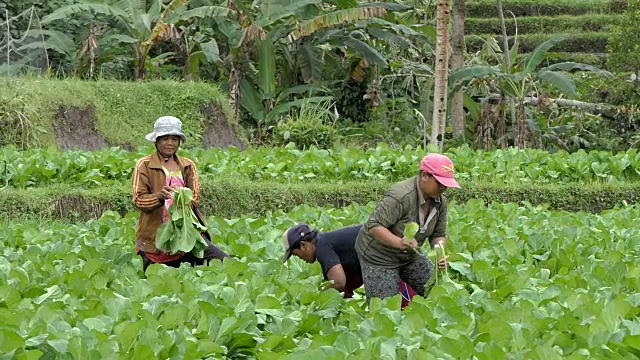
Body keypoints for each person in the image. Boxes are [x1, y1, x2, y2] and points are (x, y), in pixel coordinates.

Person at [355, 153, 460, 301]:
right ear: (424, 176)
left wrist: (440, 253)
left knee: (438, 291)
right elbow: (374, 226)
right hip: (379, 257)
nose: (444, 188)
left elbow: (438, 234)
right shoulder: (401, 195)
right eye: (440, 183)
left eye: (447, 184)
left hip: (410, 255)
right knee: (386, 309)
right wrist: (399, 243)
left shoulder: (440, 201)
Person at [132, 116, 227, 272]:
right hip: (155, 237)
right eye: (165, 138)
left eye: (174, 139)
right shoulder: (144, 165)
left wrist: (185, 200)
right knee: (158, 279)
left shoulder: (188, 165)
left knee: (224, 262)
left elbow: (196, 198)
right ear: (156, 141)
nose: (170, 143)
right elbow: (139, 200)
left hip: (187, 235)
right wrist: (159, 197)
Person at [282, 223, 417, 307]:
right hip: (385, 256)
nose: (300, 258)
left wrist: (318, 299)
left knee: (406, 305)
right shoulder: (326, 243)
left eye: (296, 254)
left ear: (304, 245)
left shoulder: (322, 246)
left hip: (387, 257)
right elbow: (348, 282)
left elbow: (339, 282)